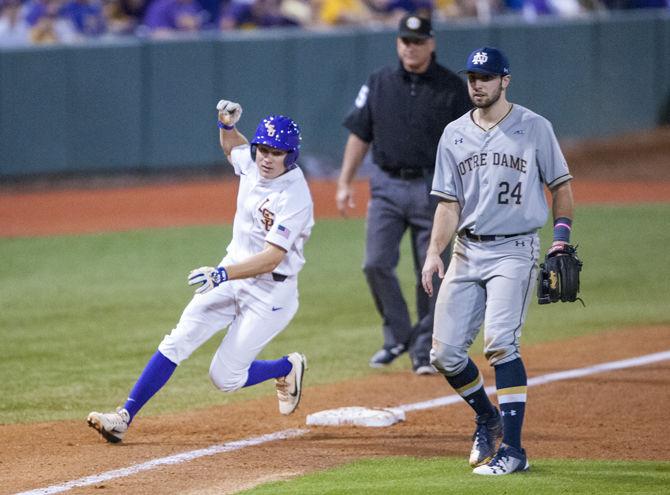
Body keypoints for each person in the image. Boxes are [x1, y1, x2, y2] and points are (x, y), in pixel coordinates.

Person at [87, 99, 314, 443]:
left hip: (271, 293)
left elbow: (271, 259)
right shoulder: (252, 163)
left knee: (224, 377)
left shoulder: (295, 196)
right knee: (178, 339)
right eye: (262, 149)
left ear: (291, 156)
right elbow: (232, 149)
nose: (266, 157)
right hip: (230, 273)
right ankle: (123, 416)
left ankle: (287, 366)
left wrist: (222, 274)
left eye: (276, 152)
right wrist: (225, 125)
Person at [421, 46, 575, 474]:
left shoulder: (534, 127)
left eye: (485, 77)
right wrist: (434, 251)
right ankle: (486, 417)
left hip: (515, 249)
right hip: (466, 251)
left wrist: (560, 241)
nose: (477, 84)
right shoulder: (453, 134)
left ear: (504, 81)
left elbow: (560, 186)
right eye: (472, 77)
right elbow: (448, 203)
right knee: (445, 355)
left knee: (501, 343)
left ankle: (514, 451)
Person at [336, 13, 470, 375]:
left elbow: (469, 141)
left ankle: (425, 347)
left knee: (431, 271)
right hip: (387, 187)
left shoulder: (452, 87)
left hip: (436, 188)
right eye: (404, 41)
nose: (410, 47)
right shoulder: (379, 81)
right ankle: (399, 336)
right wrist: (345, 181)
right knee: (375, 263)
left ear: (431, 43)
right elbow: (360, 133)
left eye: (417, 41)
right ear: (397, 43)